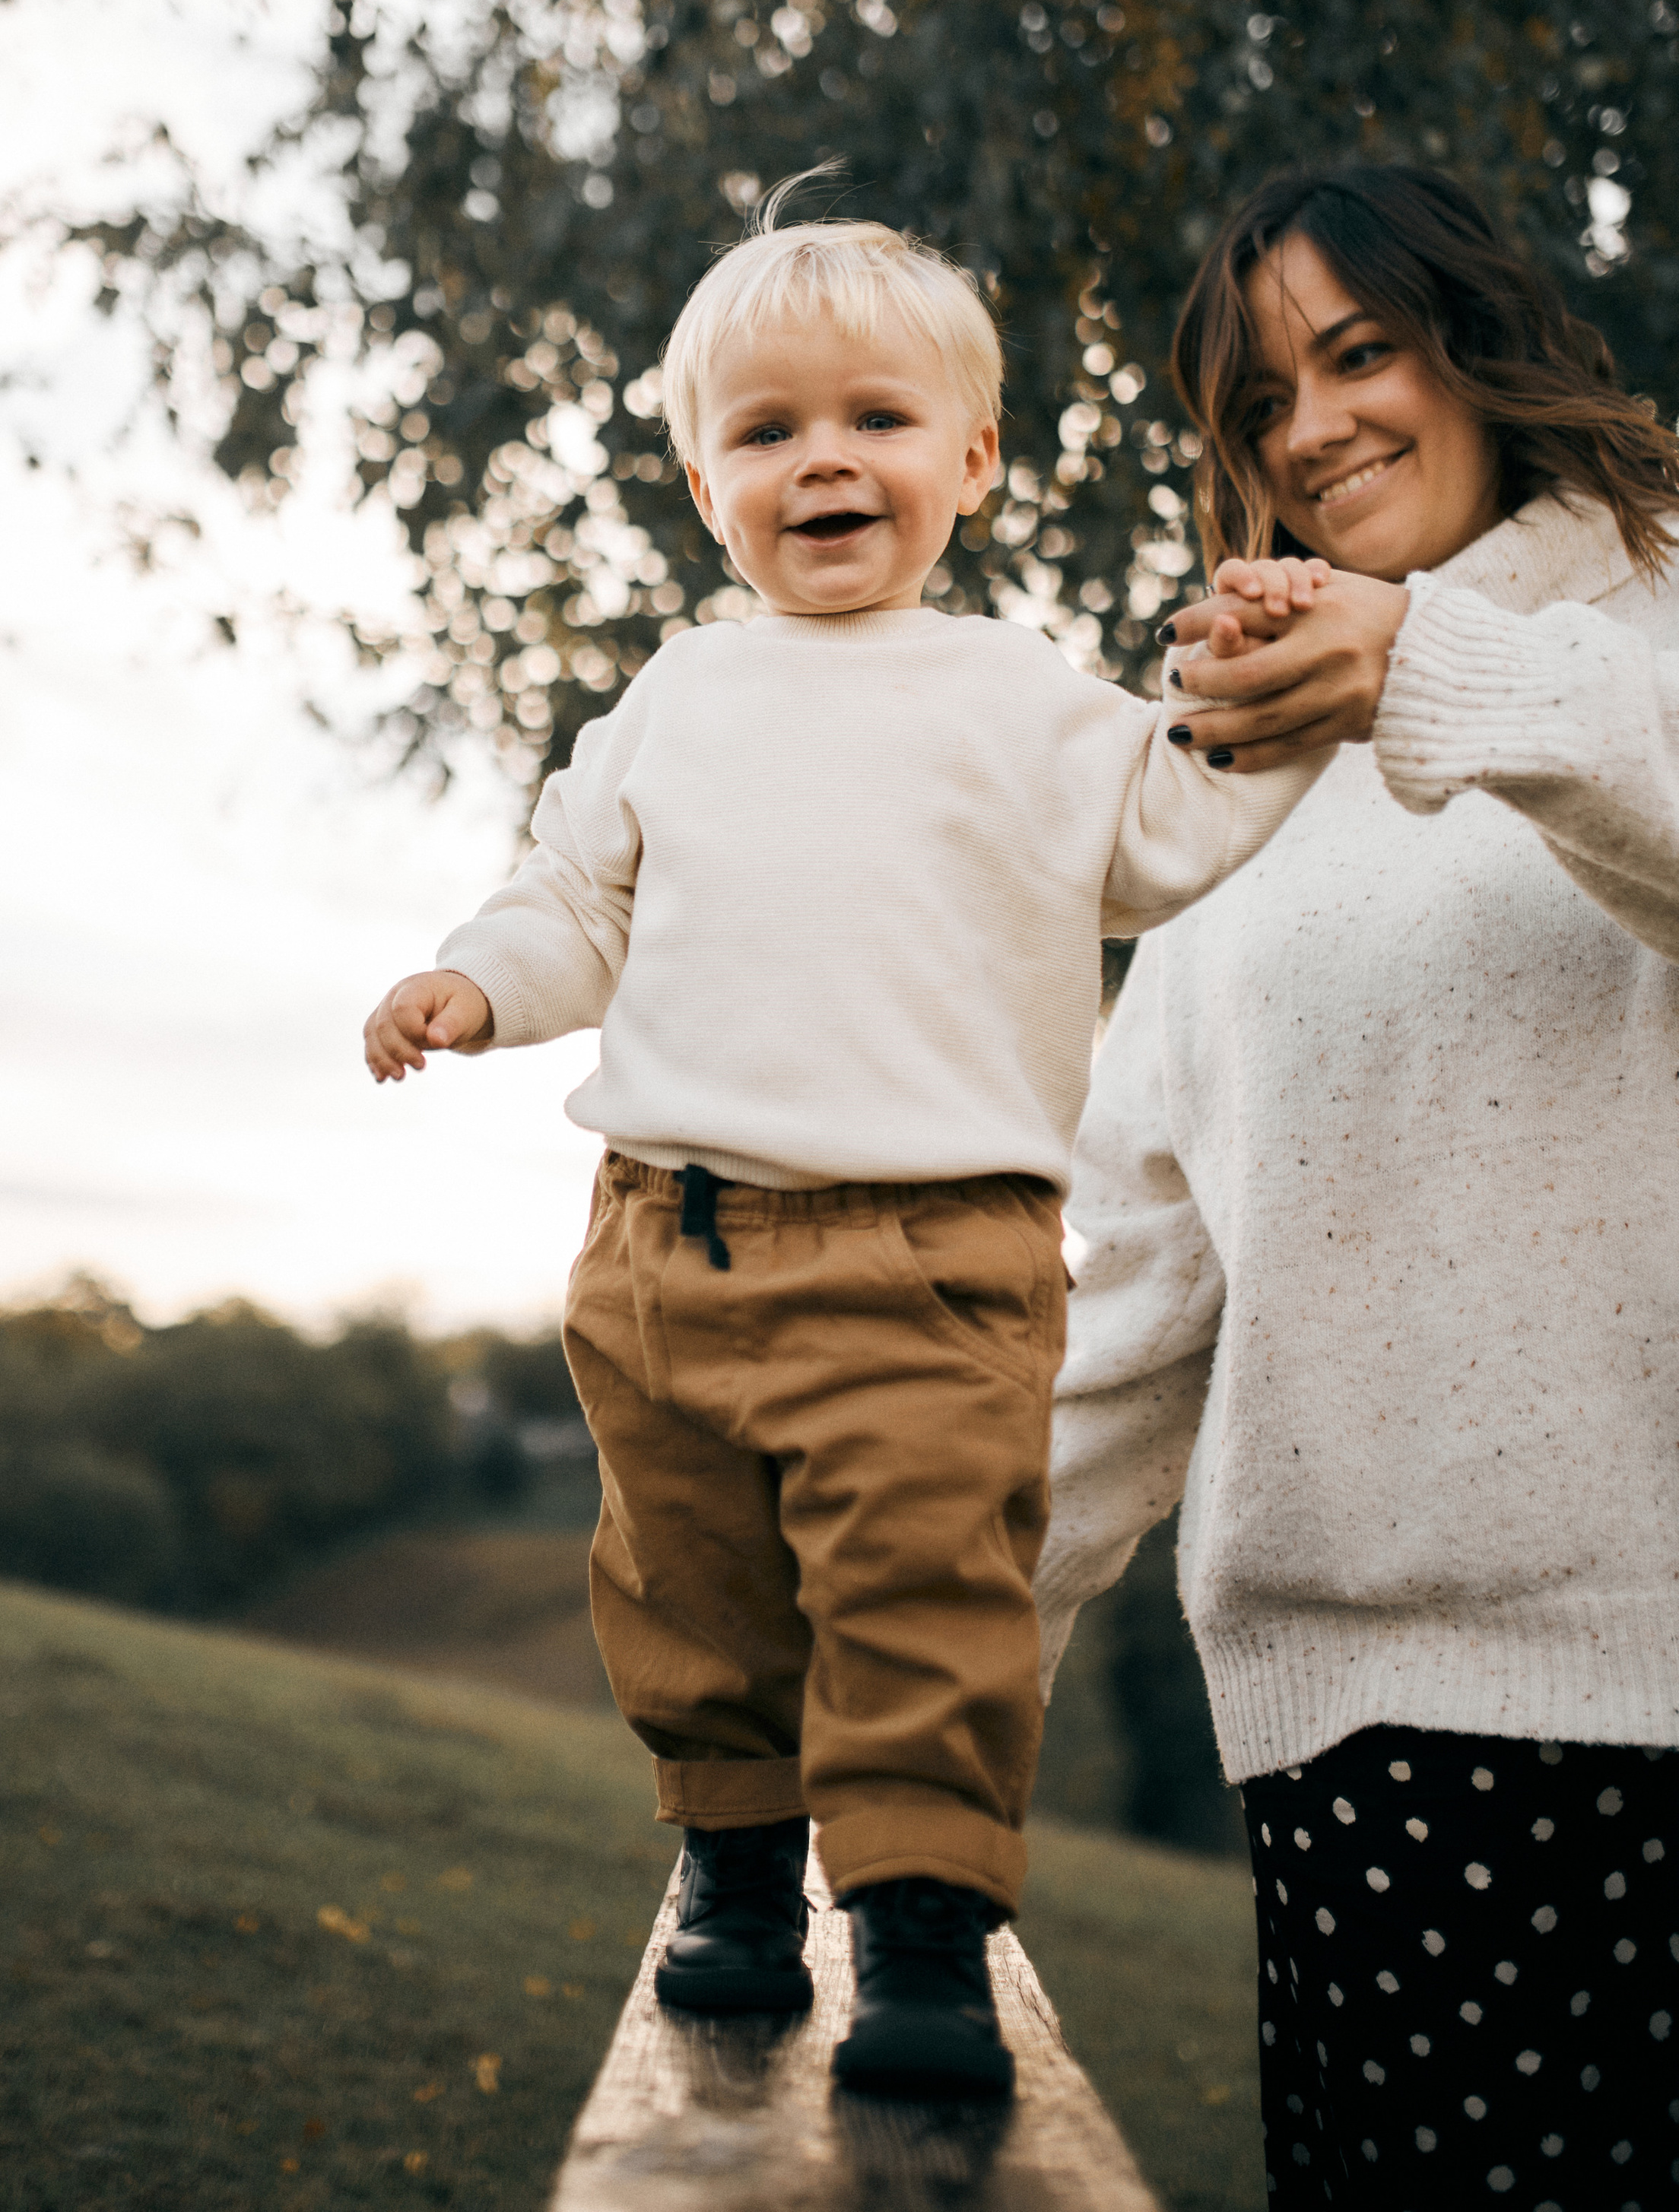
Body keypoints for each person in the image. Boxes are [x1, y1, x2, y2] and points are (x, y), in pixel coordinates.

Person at [363, 188, 1335, 2096]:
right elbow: (575, 896)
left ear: (970, 459)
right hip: (669, 1247)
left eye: (876, 421)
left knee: (923, 1595)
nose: (824, 460)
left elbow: (1167, 820)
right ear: (706, 484)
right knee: (690, 1587)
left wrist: (1260, 681)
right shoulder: (677, 697)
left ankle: (919, 1936)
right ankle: (732, 1878)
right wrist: (476, 984)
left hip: (931, 1253)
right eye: (767, 431)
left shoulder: (1014, 692)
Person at [1035, 163, 1679, 2209]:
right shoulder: (1226, 775)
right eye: (1257, 403)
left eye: (1358, 352)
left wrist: (1437, 668)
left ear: (1474, 346)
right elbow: (1133, 1291)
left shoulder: (1650, 617)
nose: (1312, 430)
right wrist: (916, 1687)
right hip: (1370, 1749)